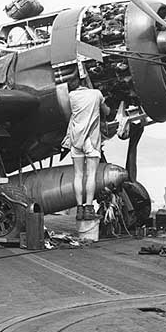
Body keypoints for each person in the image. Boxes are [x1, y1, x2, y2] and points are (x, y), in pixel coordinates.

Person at [64, 73, 110, 222]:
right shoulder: (96, 94)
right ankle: (89, 209)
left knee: (78, 175)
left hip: (76, 140)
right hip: (91, 140)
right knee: (91, 175)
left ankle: (79, 209)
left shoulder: (71, 96)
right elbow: (107, 111)